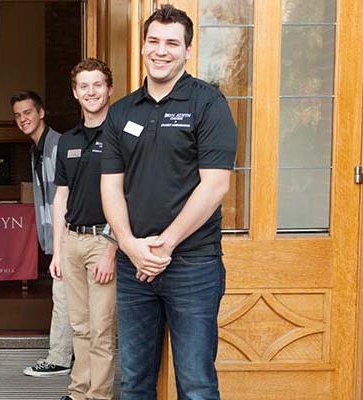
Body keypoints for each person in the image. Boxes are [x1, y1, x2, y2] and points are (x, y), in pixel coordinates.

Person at [100, 5, 237, 399]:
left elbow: (214, 186)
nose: (162, 51)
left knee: (195, 382)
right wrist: (129, 245)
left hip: (193, 264)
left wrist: (166, 244)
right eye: (154, 41)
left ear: (187, 51)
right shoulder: (122, 111)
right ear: (143, 46)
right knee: (135, 381)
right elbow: (110, 186)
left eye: (172, 43)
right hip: (133, 266)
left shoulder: (208, 104)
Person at [51, 59, 117, 400]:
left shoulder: (121, 135)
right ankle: (78, 393)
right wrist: (58, 249)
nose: (91, 92)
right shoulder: (67, 141)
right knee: (79, 327)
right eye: (84, 86)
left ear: (109, 88)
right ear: (75, 93)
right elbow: (61, 196)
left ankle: (99, 396)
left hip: (103, 241)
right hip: (73, 241)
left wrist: (112, 248)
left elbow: (131, 197)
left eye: (97, 84)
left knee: (101, 329)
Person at [10, 90, 73, 377]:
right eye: (18, 114)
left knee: (62, 298)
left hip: (69, 236)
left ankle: (59, 358)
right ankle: (69, 358)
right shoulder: (36, 148)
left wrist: (60, 244)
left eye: (28, 112)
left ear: (41, 112)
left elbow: (65, 198)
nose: (23, 118)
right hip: (56, 238)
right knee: (67, 298)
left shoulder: (58, 145)